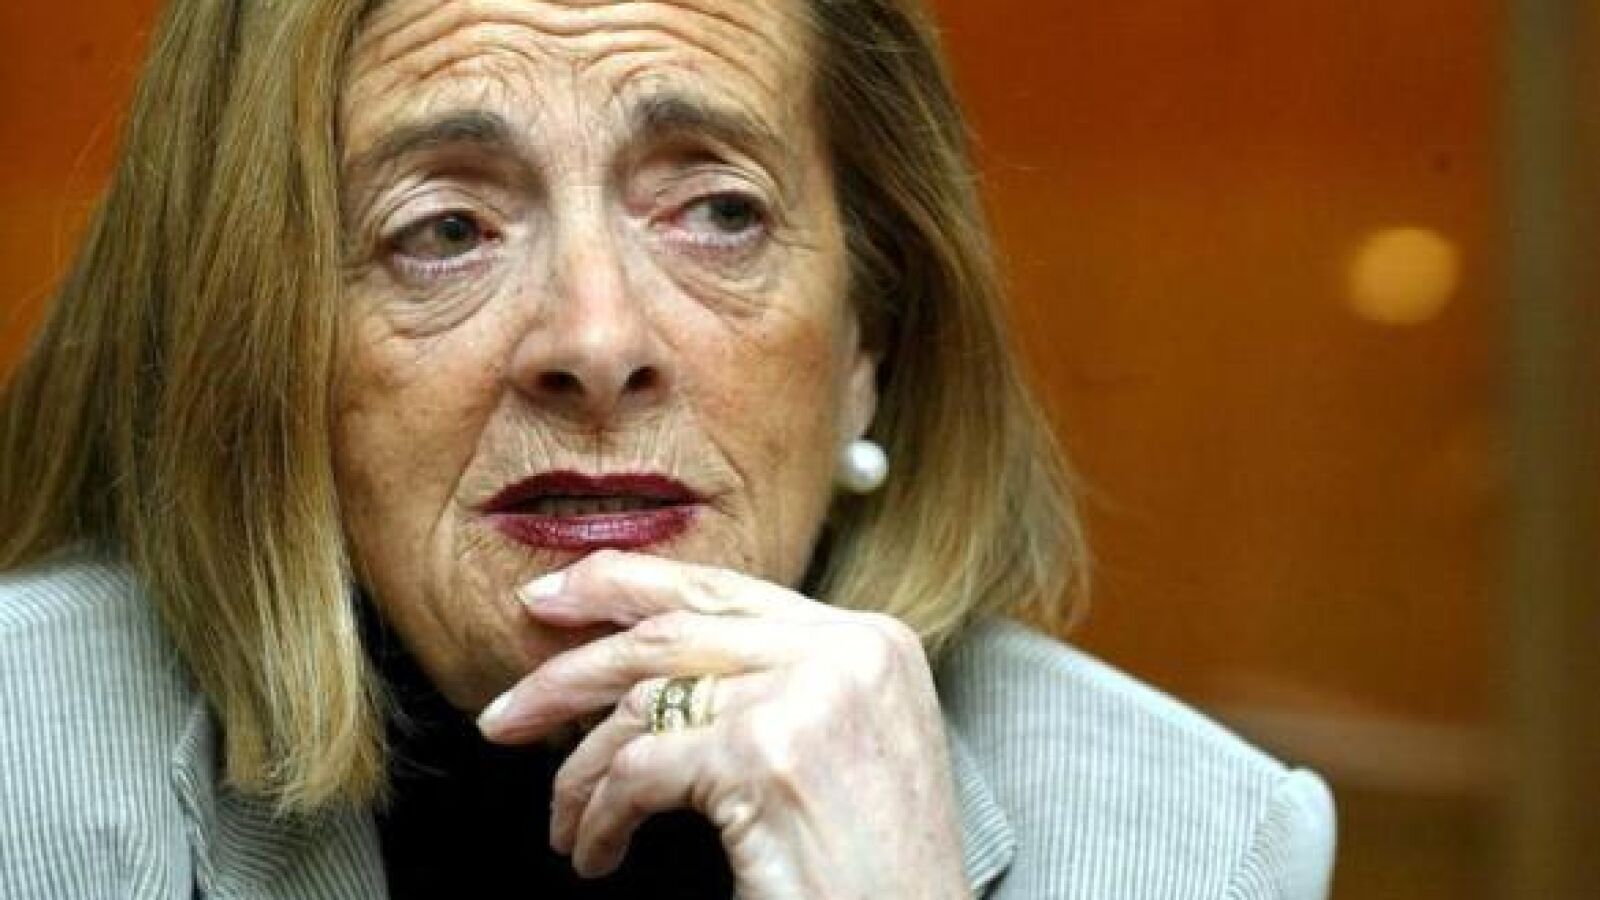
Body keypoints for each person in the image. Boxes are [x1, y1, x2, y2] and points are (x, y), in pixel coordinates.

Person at [0, 0, 1335, 897]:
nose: (595, 340)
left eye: (716, 211)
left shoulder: (1202, 849)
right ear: (264, 345)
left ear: (871, 340)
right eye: (447, 230)